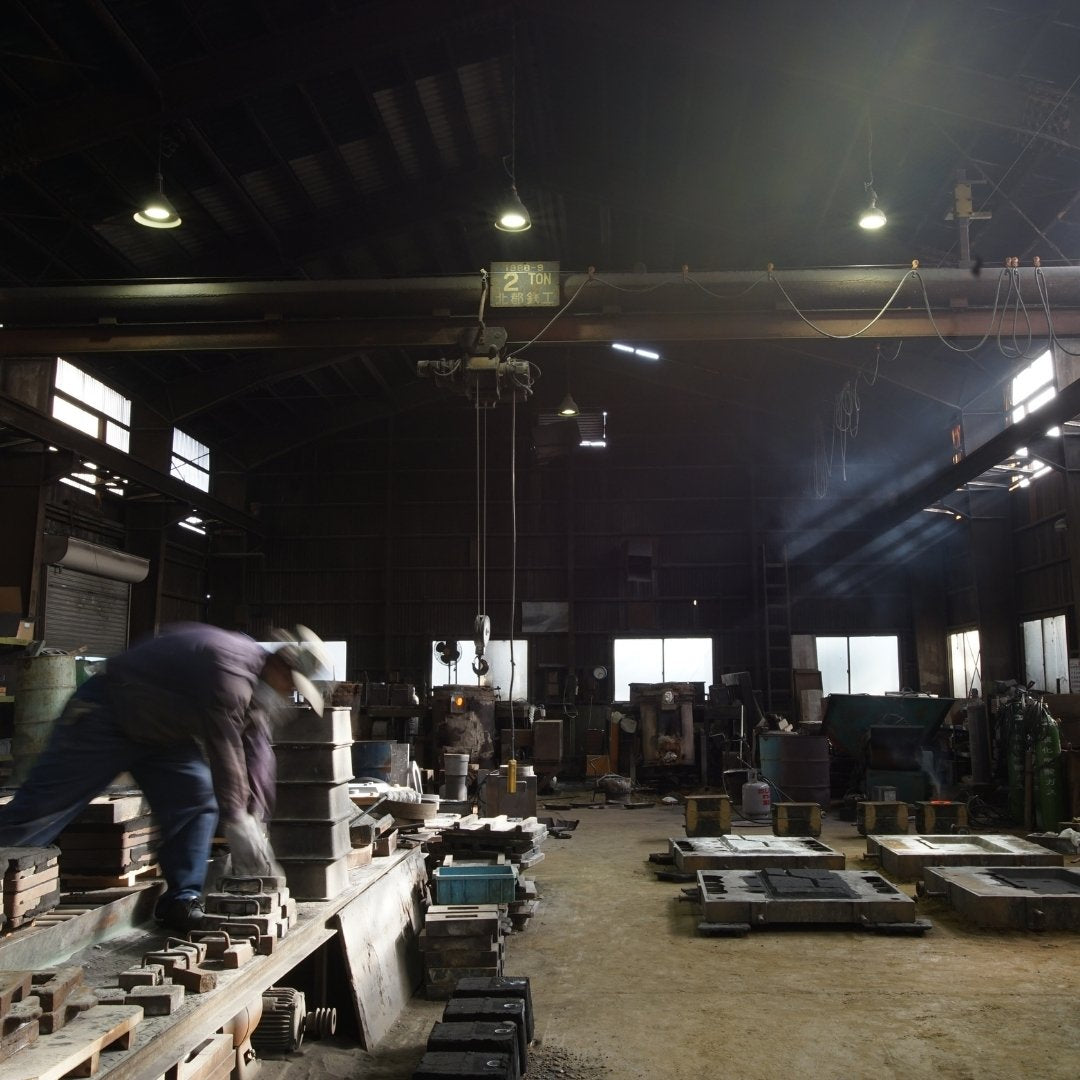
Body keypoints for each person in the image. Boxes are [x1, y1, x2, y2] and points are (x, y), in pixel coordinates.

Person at [0, 623, 330, 932]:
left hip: (161, 736)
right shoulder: (231, 670)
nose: (289, 693)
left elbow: (258, 753)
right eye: (292, 685)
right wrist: (237, 821)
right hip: (105, 714)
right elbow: (226, 750)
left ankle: (181, 901)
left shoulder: (254, 681)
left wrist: (257, 819)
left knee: (197, 800)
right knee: (42, 809)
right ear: (281, 667)